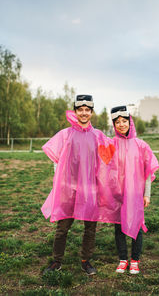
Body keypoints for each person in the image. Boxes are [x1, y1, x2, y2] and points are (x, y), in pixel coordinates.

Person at [41, 95, 115, 275]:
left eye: (87, 110)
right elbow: (56, 160)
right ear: (75, 111)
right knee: (62, 227)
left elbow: (110, 157)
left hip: (90, 189)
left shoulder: (98, 136)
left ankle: (85, 260)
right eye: (80, 109)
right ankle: (57, 261)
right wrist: (60, 182)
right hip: (69, 188)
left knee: (90, 227)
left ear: (91, 112)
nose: (83, 113)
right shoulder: (66, 134)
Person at [110, 106, 159, 274]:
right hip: (118, 194)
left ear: (130, 122)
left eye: (124, 121)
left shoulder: (141, 145)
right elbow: (104, 167)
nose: (122, 124)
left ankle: (135, 260)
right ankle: (123, 259)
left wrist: (147, 194)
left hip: (135, 194)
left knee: (136, 226)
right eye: (118, 122)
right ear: (114, 125)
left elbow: (147, 172)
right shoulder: (112, 144)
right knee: (118, 227)